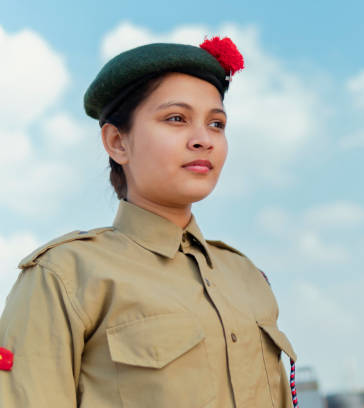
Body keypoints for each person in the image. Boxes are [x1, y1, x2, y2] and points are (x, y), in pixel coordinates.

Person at [0, 36, 298, 408]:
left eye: (217, 124)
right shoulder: (65, 276)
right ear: (117, 142)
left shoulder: (247, 278)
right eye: (176, 118)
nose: (203, 139)